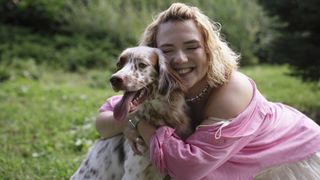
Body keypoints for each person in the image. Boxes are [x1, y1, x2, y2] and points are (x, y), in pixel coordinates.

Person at [95, 2, 320, 180]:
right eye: (167, 49)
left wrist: (139, 123)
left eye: (192, 47)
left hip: (289, 163)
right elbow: (104, 122)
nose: (180, 59)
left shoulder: (232, 90)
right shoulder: (161, 85)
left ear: (209, 50)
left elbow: (187, 170)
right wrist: (127, 120)